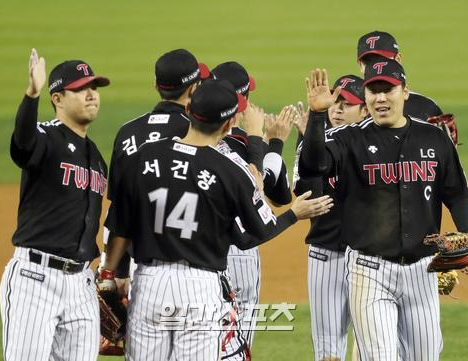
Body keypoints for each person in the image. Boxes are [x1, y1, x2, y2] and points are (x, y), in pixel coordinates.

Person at [101, 79, 333, 361]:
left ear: (188, 110)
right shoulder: (230, 170)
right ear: (229, 124)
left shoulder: (143, 158)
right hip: (200, 288)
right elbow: (259, 231)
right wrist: (294, 213)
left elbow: (120, 225)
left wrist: (109, 275)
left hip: (149, 282)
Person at [299, 61, 468, 361]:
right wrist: (317, 116)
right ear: (366, 97)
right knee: (379, 355)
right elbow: (312, 165)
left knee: (426, 355)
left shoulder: (434, 138)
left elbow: (457, 193)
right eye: (373, 90)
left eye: (387, 90)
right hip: (369, 272)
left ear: (405, 92)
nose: (380, 98)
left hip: (423, 271)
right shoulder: (348, 138)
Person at [0, 49, 110, 361]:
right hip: (36, 278)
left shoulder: (98, 159)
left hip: (81, 285)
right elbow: (22, 145)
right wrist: (32, 94)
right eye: (81, 89)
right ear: (58, 98)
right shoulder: (45, 137)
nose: (91, 95)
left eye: (94, 88)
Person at [101, 48, 210, 294]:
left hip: (134, 266)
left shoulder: (126, 133)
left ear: (156, 85)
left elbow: (120, 210)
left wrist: (117, 272)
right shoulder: (198, 133)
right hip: (191, 270)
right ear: (194, 88)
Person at [211, 61, 294, 357]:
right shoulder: (244, 144)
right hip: (240, 250)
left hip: (200, 250)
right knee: (238, 340)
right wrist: (268, 140)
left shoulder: (191, 135)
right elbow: (272, 193)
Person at [293, 74, 367, 361]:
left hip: (368, 257)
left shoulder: (378, 147)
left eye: (347, 104)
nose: (337, 108)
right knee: (328, 349)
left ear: (364, 110)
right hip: (327, 254)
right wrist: (308, 136)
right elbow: (304, 193)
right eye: (335, 101)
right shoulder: (314, 145)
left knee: (374, 345)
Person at [357, 30, 443, 120]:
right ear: (360, 66)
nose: (376, 66)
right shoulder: (346, 111)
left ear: (398, 59)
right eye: (369, 61)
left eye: (383, 59)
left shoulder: (424, 107)